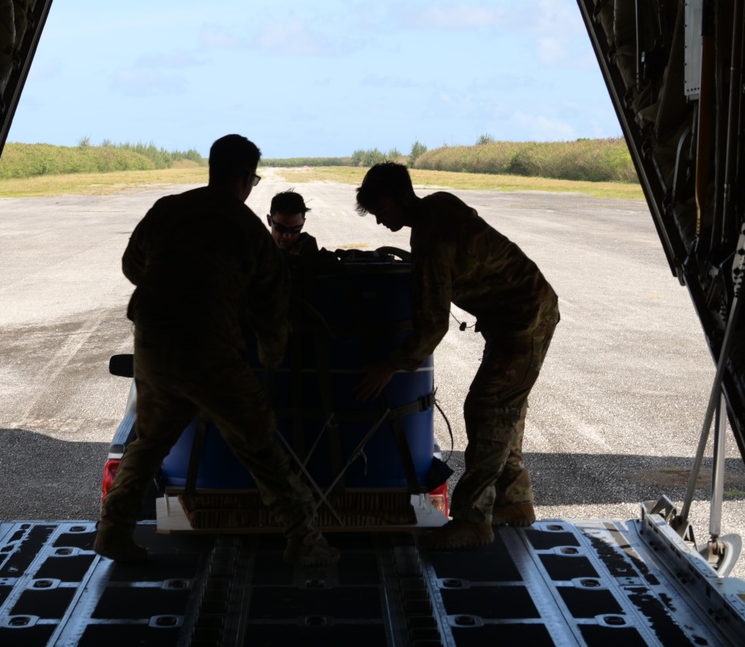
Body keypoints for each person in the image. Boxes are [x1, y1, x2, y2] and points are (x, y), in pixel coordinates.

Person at [95, 134, 339, 566]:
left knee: (149, 442)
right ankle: (306, 540)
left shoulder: (168, 209)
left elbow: (133, 265)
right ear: (246, 177)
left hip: (152, 343)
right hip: (208, 352)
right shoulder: (244, 226)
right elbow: (271, 305)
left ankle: (113, 532)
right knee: (259, 443)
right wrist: (270, 359)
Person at [352, 162, 558, 550]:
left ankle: (473, 519)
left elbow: (432, 327)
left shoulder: (431, 237)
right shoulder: (438, 207)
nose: (379, 222)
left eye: (381, 210)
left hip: (525, 319)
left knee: (488, 408)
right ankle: (515, 502)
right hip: (518, 315)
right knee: (503, 410)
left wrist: (390, 366)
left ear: (398, 198)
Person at [268, 189, 318, 256]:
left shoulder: (312, 254)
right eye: (280, 228)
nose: (287, 235)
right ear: (269, 220)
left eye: (295, 229)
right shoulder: (255, 252)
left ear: (303, 223)